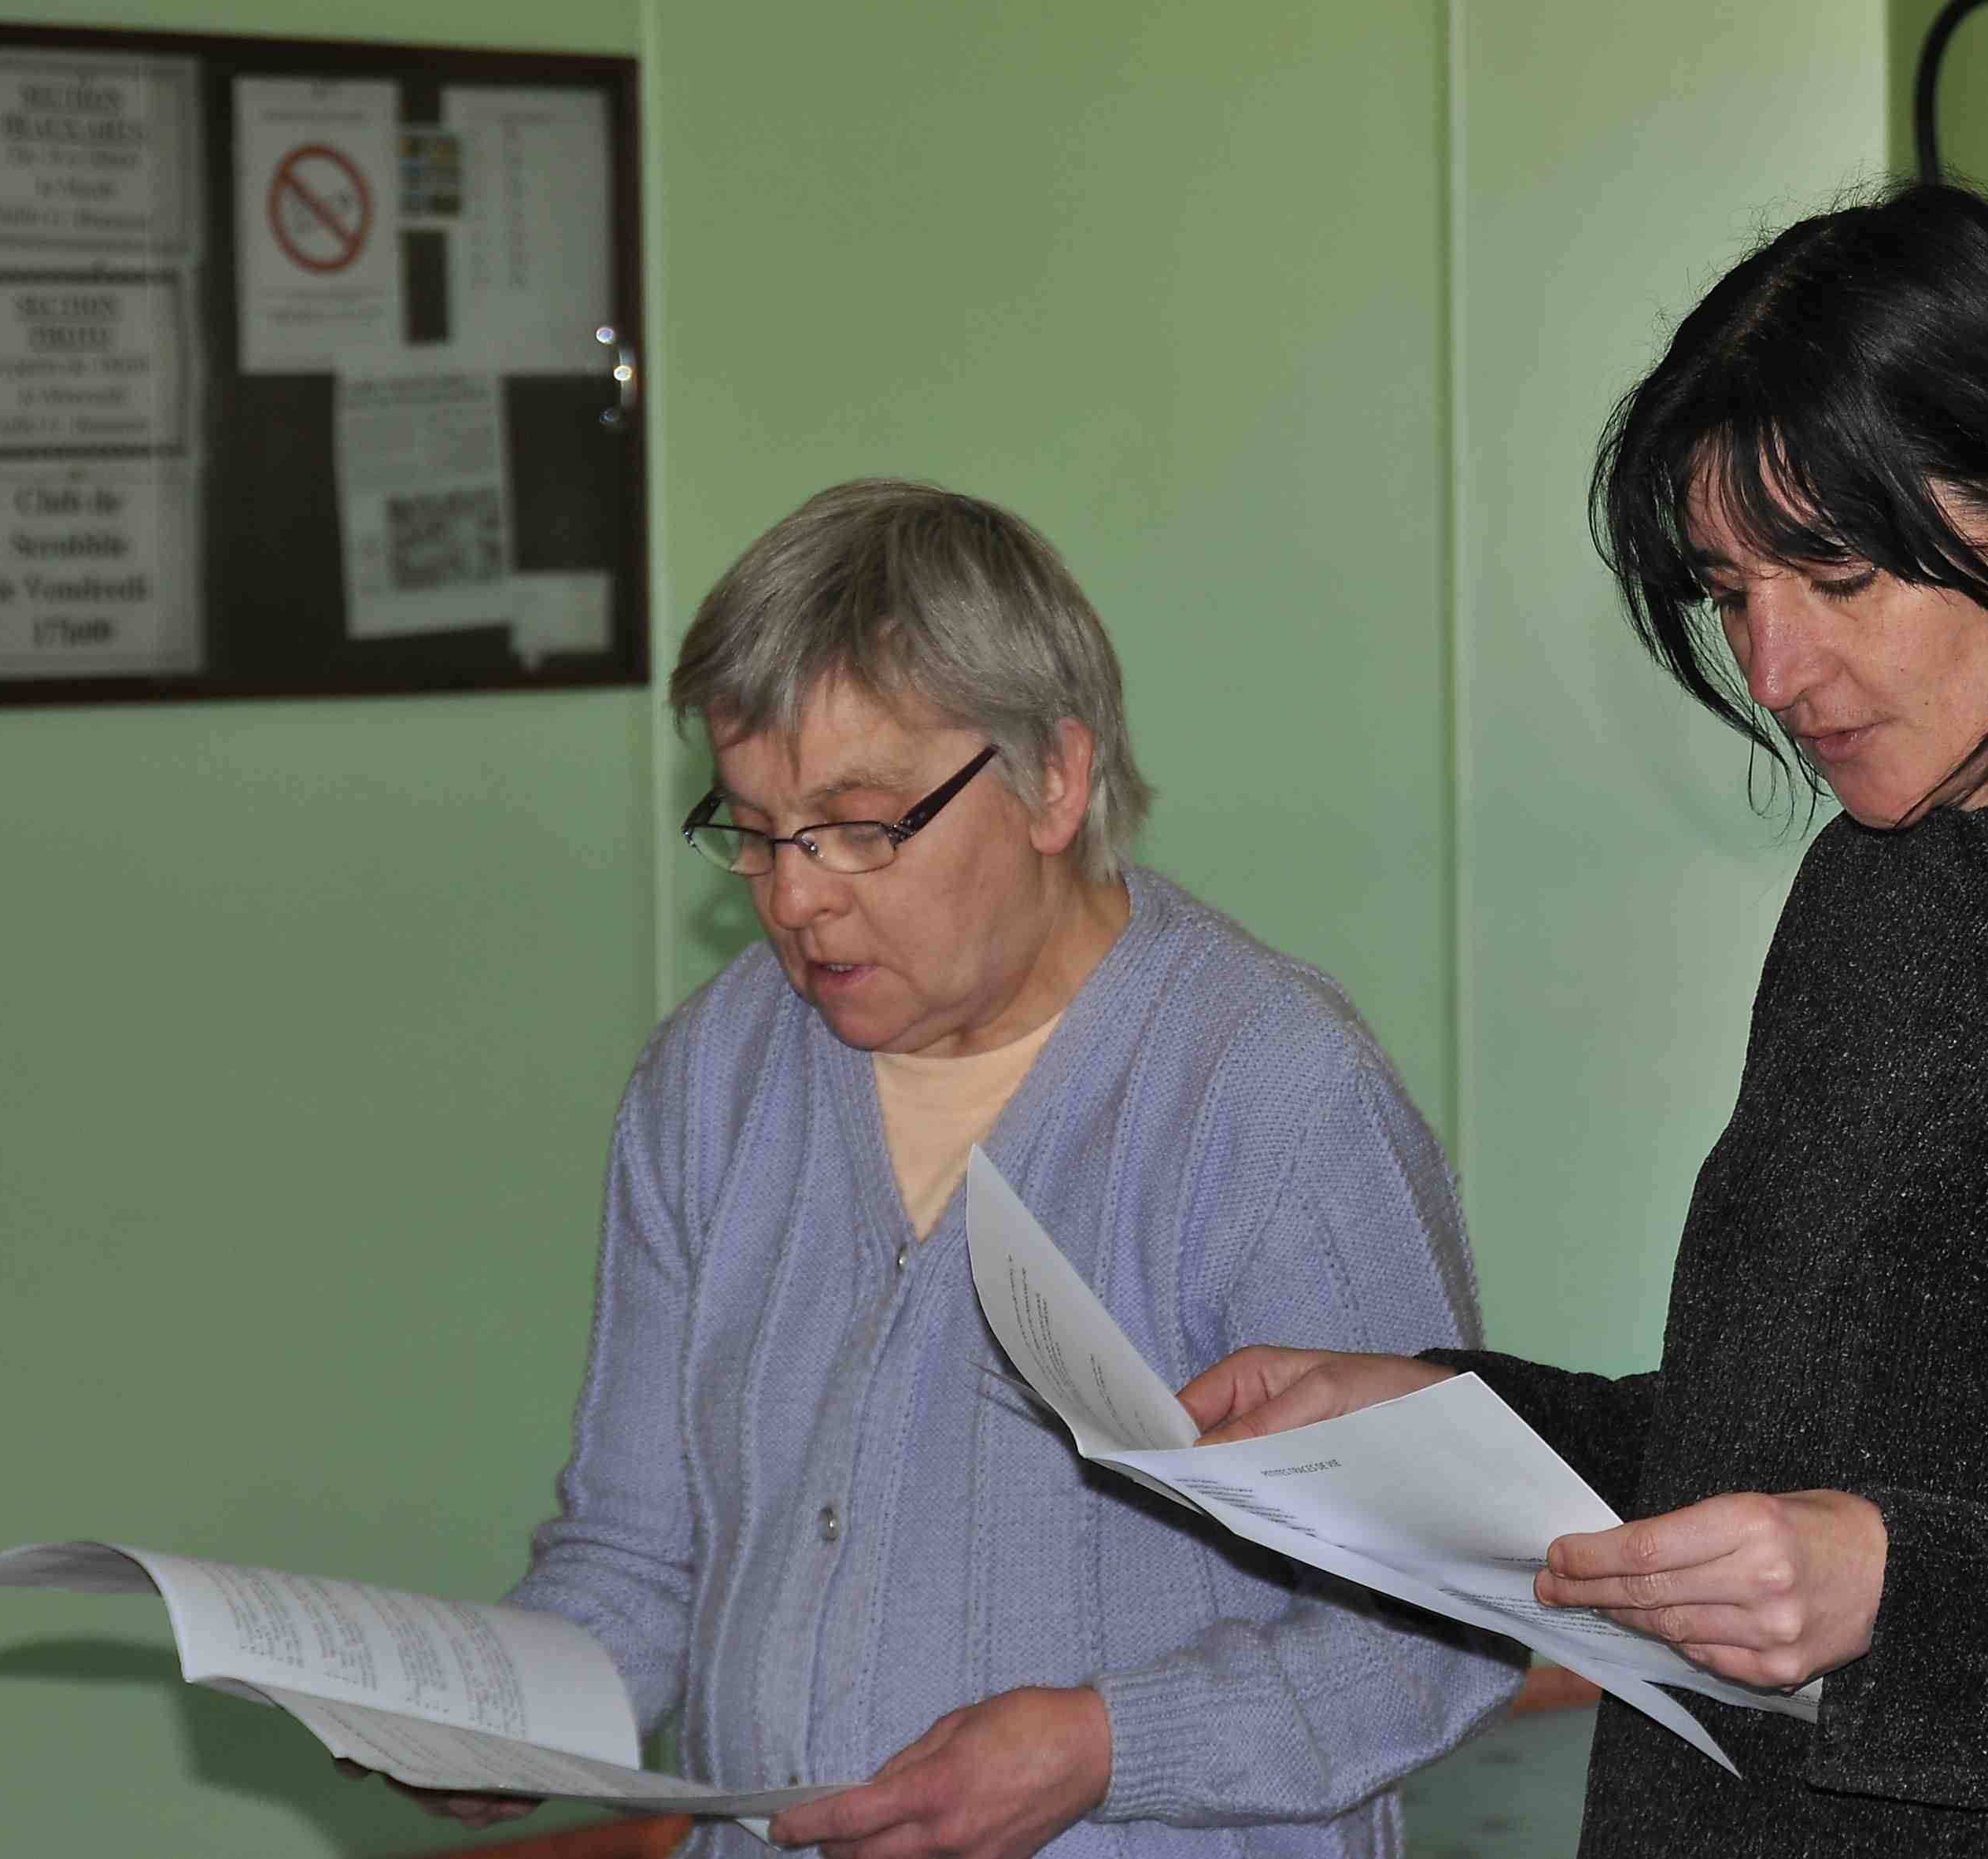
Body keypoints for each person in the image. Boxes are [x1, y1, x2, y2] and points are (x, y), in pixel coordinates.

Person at [1184, 183, 1988, 1857]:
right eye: (1730, 590)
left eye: (1831, 572)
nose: (1773, 666)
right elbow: (1792, 1446)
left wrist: (1898, 1592)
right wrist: (1439, 1422)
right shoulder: (1879, 877)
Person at [385, 480, 1520, 1857]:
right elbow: (636, 1555)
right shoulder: (712, 1079)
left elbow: (1446, 1625)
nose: (794, 895)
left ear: (1054, 780)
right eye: (754, 827)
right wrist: (507, 1711)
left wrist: (1104, 1746)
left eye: (861, 825)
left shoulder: (1273, 1095)